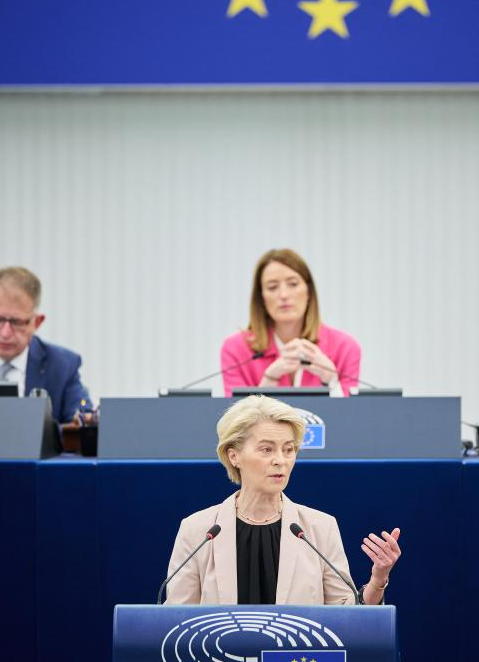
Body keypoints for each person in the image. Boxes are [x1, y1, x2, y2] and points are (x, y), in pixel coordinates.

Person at [165, 394, 401, 605]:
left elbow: (346, 617)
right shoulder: (198, 530)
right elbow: (175, 621)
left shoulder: (320, 528)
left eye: (288, 450)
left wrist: (377, 581)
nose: (281, 460)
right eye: (266, 449)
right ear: (234, 456)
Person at [0, 266, 93, 424]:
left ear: (37, 322)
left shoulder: (62, 365)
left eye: (17, 322)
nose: (5, 333)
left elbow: (81, 424)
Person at [220, 248, 361, 396]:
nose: (284, 295)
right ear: (261, 298)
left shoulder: (345, 347)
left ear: (309, 292)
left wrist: (331, 380)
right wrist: (269, 379)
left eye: (293, 284)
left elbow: (352, 411)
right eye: (272, 287)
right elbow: (235, 411)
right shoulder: (235, 349)